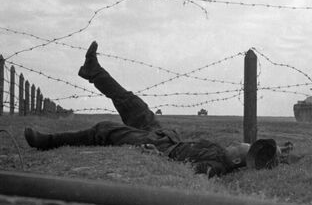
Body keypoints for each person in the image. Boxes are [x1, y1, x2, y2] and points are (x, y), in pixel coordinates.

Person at [24, 41, 287, 177]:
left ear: (238, 159)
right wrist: (280, 153)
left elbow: (192, 172)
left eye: (238, 147)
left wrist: (155, 156)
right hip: (166, 136)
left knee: (106, 129)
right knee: (133, 104)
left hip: (160, 146)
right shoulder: (225, 156)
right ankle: (94, 71)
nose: (233, 144)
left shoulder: (217, 165)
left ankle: (47, 142)